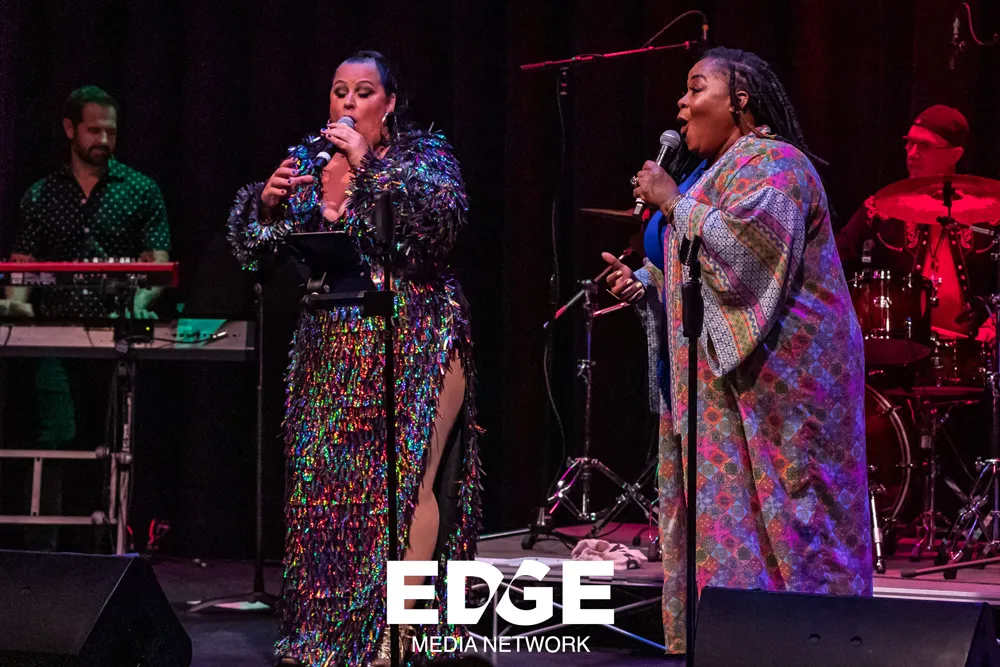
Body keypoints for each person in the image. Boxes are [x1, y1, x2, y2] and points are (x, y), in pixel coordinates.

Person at [603, 47, 872, 654]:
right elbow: (701, 271)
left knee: (796, 526)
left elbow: (749, 261)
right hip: (722, 392)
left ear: (739, 100)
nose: (682, 103)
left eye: (696, 87)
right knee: (727, 531)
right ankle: (731, 647)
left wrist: (673, 201)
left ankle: (817, 651)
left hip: (783, 391)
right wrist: (648, 285)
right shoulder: (714, 174)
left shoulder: (777, 165)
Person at [227, 51, 481, 667]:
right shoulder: (311, 164)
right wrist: (266, 208)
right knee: (329, 496)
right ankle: (327, 633)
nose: (347, 101)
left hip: (415, 334)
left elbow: (437, 224)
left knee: (407, 482)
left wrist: (368, 165)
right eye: (339, 90)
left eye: (363, 91)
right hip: (330, 347)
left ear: (389, 104)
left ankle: (399, 633)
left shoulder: (422, 157)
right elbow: (255, 255)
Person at [2, 85, 170, 551]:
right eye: (94, 130)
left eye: (111, 131)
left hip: (115, 334)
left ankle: (99, 552)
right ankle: (46, 552)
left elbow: (158, 267)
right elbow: (23, 267)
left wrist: (142, 301)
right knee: (57, 436)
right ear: (69, 129)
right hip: (55, 336)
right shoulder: (40, 195)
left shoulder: (140, 190)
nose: (104, 140)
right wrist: (16, 302)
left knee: (112, 440)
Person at [836, 105, 996, 344]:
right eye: (909, 143)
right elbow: (833, 259)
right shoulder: (880, 209)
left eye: (925, 145)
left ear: (955, 155)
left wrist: (993, 321)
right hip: (899, 347)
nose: (912, 153)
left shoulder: (989, 215)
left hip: (970, 348)